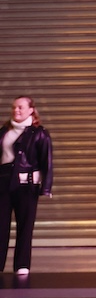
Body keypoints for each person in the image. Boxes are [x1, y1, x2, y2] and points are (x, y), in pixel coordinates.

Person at [0, 94, 51, 275]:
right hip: (4, 184)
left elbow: (47, 162)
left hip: (26, 186)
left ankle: (22, 265)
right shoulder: (4, 131)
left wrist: (46, 187)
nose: (16, 110)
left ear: (31, 110)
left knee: (25, 225)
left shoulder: (39, 133)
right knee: (1, 225)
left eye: (21, 107)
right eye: (14, 107)